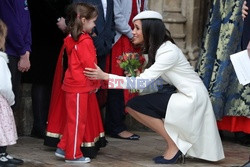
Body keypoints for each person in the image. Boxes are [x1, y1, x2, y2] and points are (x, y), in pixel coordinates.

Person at [84, 10, 225, 164]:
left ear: (149, 30)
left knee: (135, 105)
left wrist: (106, 76)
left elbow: (142, 83)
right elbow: (158, 84)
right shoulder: (161, 49)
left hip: (192, 99)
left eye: (137, 28)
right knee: (136, 105)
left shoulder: (167, 51)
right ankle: (174, 143)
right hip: (186, 96)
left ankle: (174, 145)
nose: (133, 32)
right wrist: (135, 78)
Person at [44, 0, 113, 158]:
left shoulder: (72, 38)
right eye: (93, 21)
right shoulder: (85, 40)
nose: (95, 25)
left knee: (72, 120)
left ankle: (62, 148)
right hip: (79, 87)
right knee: (77, 123)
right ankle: (73, 155)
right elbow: (90, 66)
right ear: (83, 20)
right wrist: (97, 82)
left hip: (73, 86)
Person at [26, 0, 71, 139]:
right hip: (43, 33)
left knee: (53, 79)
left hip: (59, 36)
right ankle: (39, 125)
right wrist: (58, 19)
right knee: (41, 79)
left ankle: (50, 124)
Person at [103, 0, 148, 140]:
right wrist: (132, 34)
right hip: (121, 41)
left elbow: (144, 13)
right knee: (118, 83)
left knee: (131, 81)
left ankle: (118, 123)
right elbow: (117, 17)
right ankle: (116, 126)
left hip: (134, 41)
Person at [0, 0, 31, 115]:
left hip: (20, 51)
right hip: (9, 52)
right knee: (8, 97)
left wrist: (27, 49)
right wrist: (23, 51)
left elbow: (27, 23)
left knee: (15, 97)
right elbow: (10, 24)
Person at [0, 19, 24, 166]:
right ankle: (1, 154)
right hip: (1, 100)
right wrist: (11, 99)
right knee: (2, 127)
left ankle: (3, 154)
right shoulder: (1, 60)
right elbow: (4, 85)